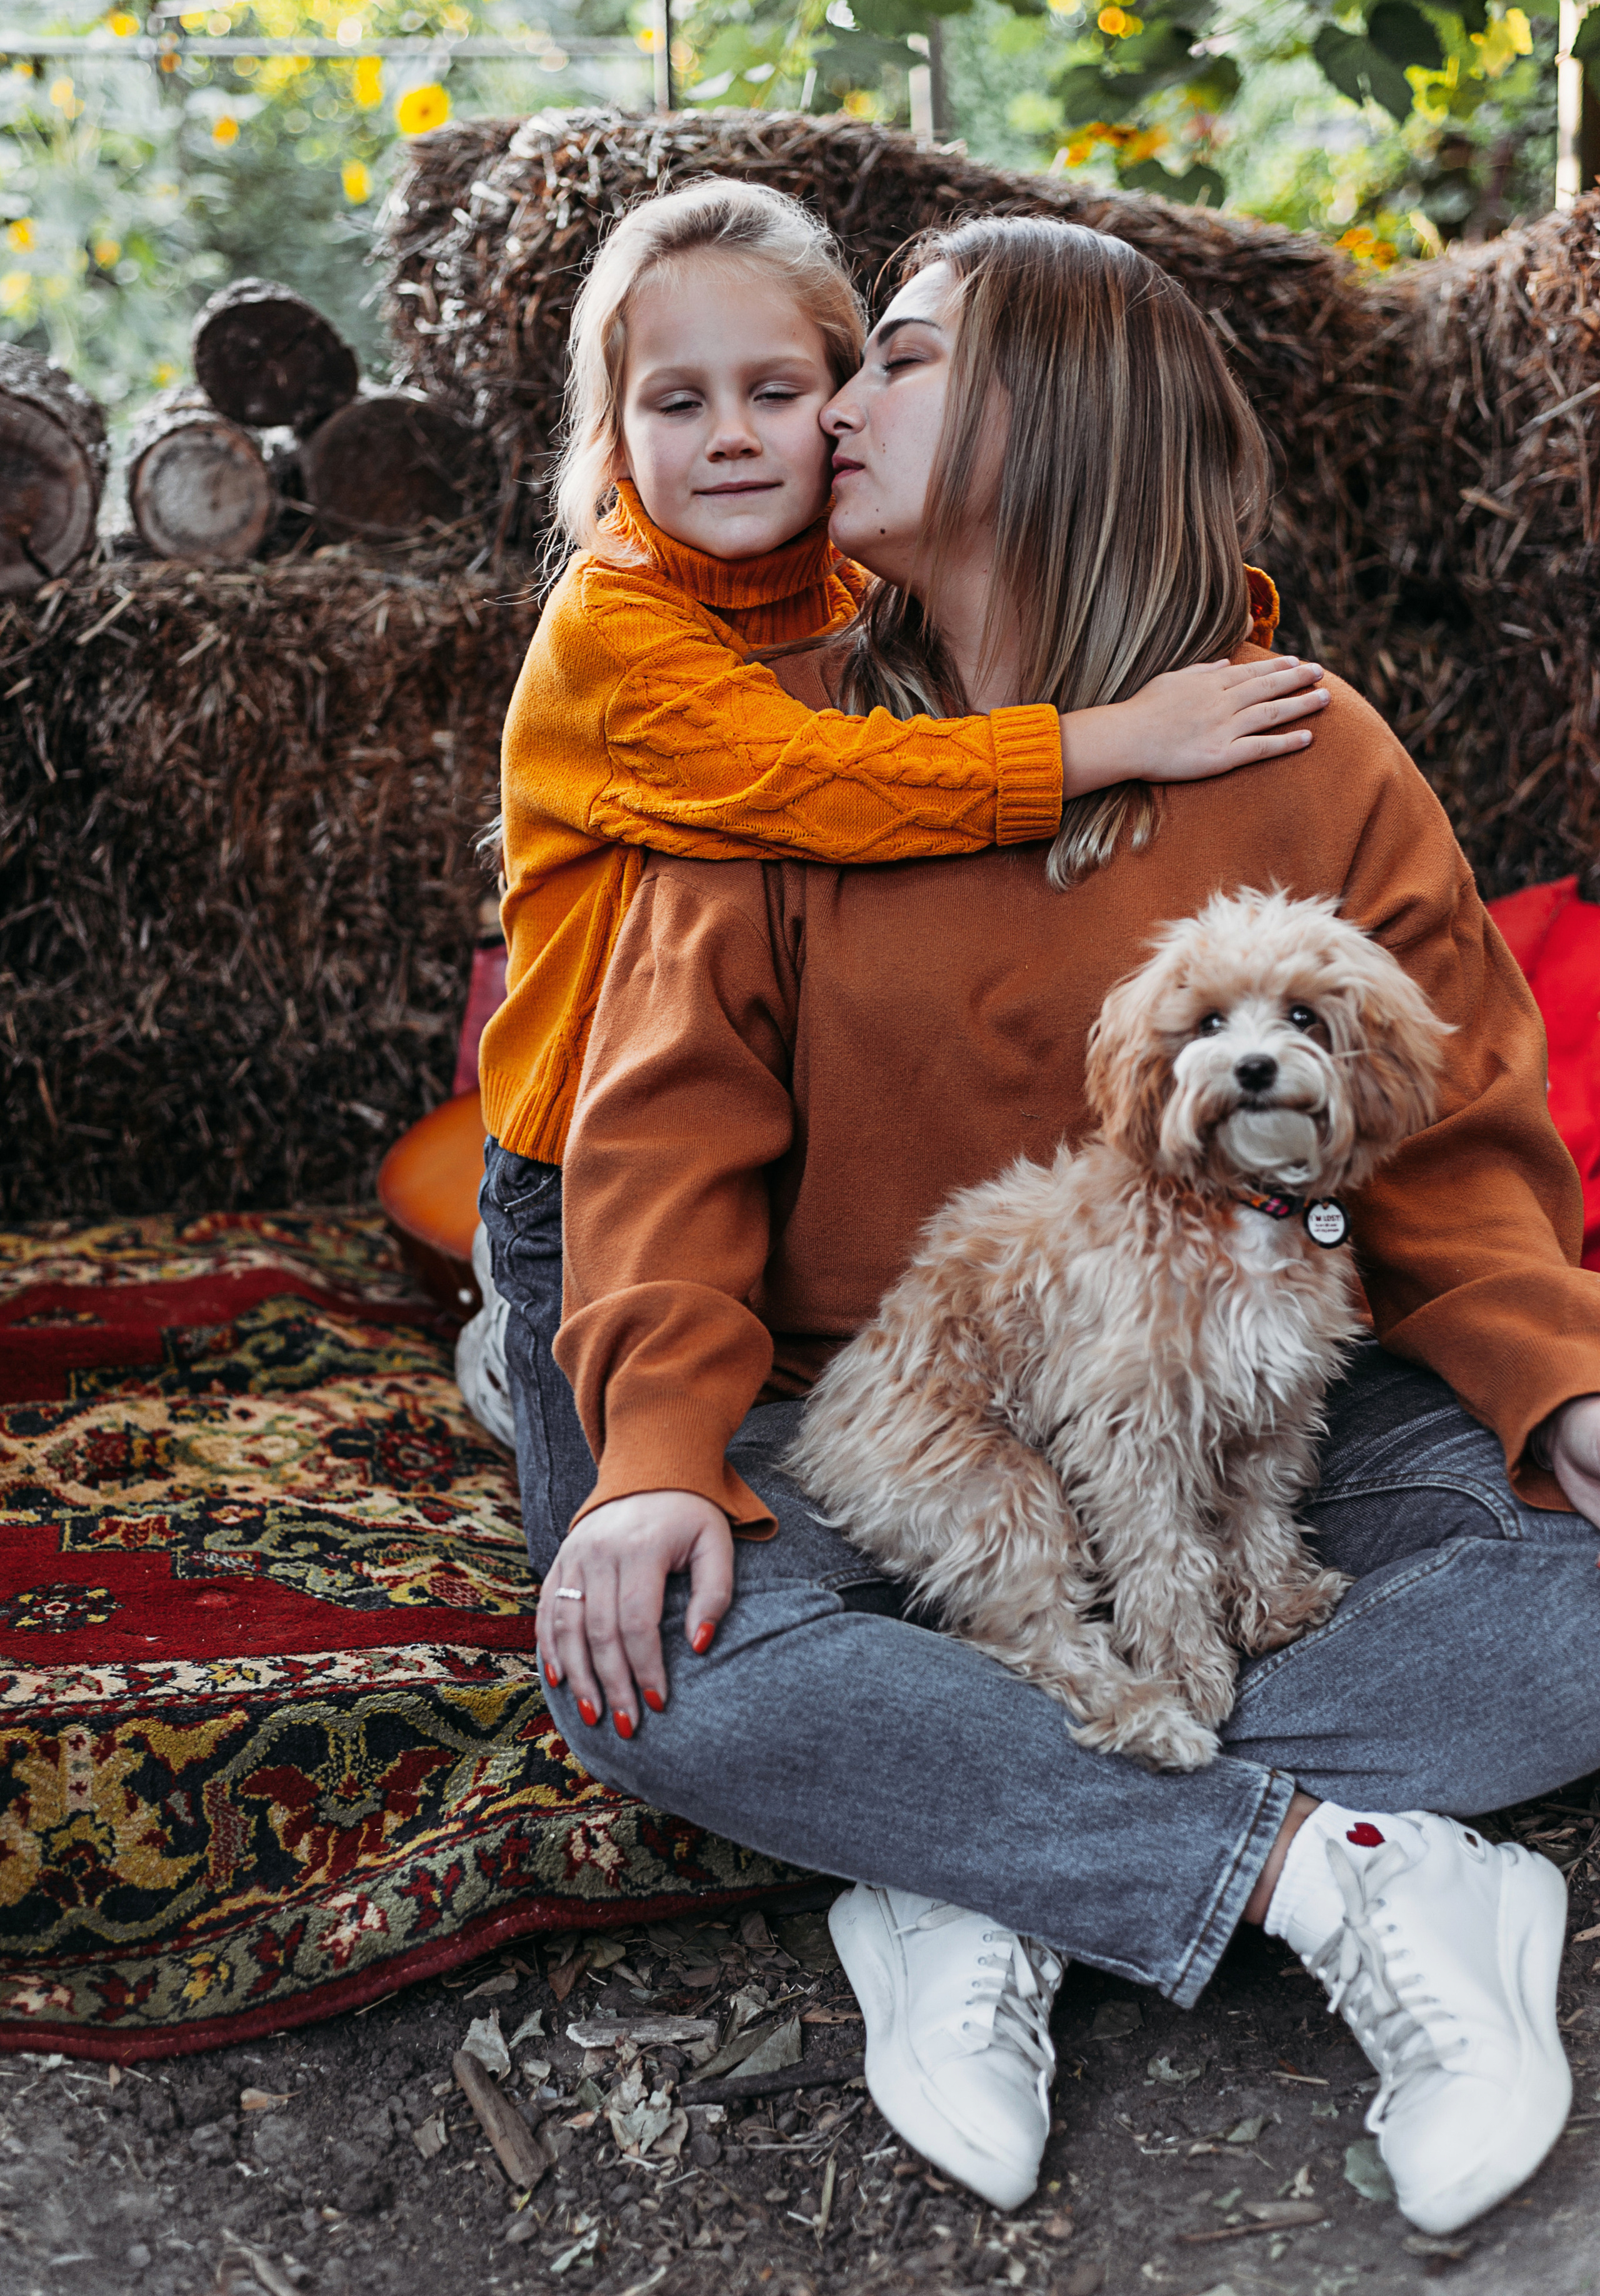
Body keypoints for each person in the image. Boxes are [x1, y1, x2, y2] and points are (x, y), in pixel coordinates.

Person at [532, 217, 1600, 2237]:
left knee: (1586, 1595)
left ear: (1060, 414)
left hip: (1270, 1369)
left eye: (900, 358)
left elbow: (1453, 1141)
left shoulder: (1309, 744)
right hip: (854, 1391)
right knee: (656, 1674)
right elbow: (660, 1149)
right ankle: (1336, 1866)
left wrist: (1557, 1387)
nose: (831, 404)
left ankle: (971, 1834)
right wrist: (655, 1459)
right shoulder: (780, 737)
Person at [469, 178, 1327, 1545]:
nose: (734, 437)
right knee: (601, 1526)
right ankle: (513, 1346)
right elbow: (822, 784)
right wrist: (1109, 738)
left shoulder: (854, 582)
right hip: (582, 1155)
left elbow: (1052, 589)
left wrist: (1202, 649)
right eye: (676, 403)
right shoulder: (614, 640)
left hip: (768, 1124)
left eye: (775, 390)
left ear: (842, 395)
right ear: (613, 436)